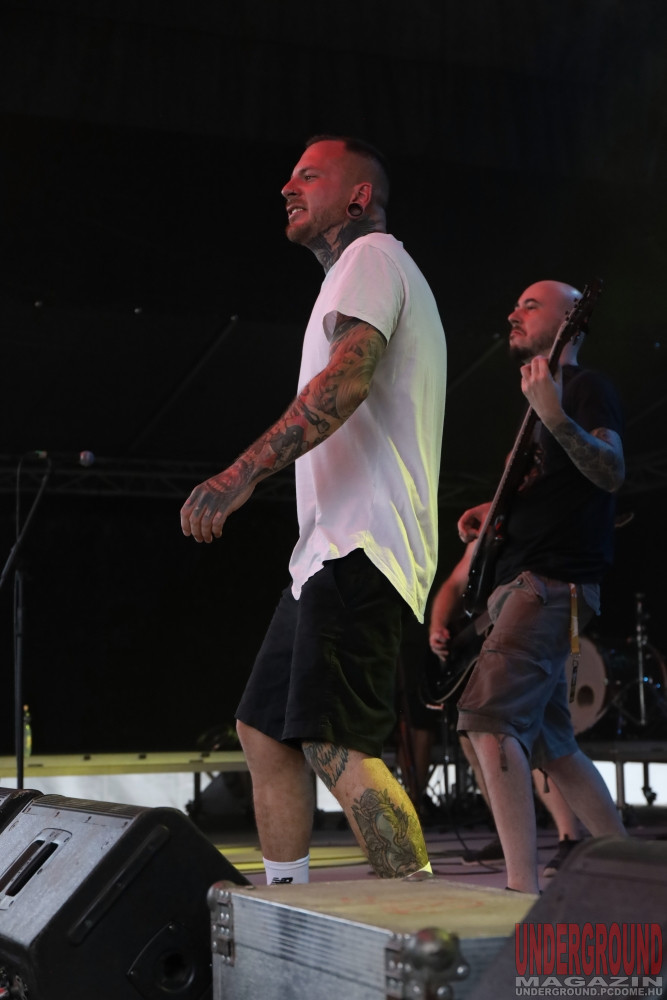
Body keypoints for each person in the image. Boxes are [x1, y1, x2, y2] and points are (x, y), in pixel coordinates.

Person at [180, 136, 447, 883]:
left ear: (358, 196)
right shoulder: (349, 277)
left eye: (309, 175)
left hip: (363, 543)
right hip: (324, 553)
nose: (287, 187)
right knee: (264, 732)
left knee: (335, 742)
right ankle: (287, 906)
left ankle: (425, 914)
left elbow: (347, 381)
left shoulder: (372, 258)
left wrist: (241, 474)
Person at [454, 279, 626, 893]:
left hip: (549, 584)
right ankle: (634, 874)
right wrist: (495, 512)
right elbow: (557, 486)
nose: (514, 313)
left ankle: (519, 892)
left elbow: (610, 470)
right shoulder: (542, 399)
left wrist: (554, 415)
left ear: (571, 319)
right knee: (556, 747)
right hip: (533, 581)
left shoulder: (583, 388)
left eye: (531, 305)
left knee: (488, 723)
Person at [428, 542, 585, 876]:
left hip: (531, 620)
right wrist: (437, 627)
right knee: (476, 736)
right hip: (494, 632)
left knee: (538, 739)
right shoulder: (488, 533)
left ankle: (569, 837)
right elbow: (454, 584)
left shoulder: (533, 526)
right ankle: (510, 834)